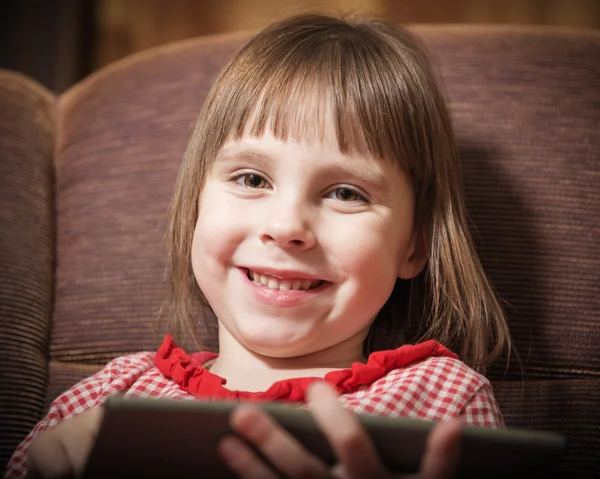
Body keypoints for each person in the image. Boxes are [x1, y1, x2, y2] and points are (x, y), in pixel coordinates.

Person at [5, 13, 511, 479]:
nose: (286, 225)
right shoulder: (107, 399)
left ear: (414, 246)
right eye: (251, 179)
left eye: (345, 193)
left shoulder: (443, 404)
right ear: (195, 207)